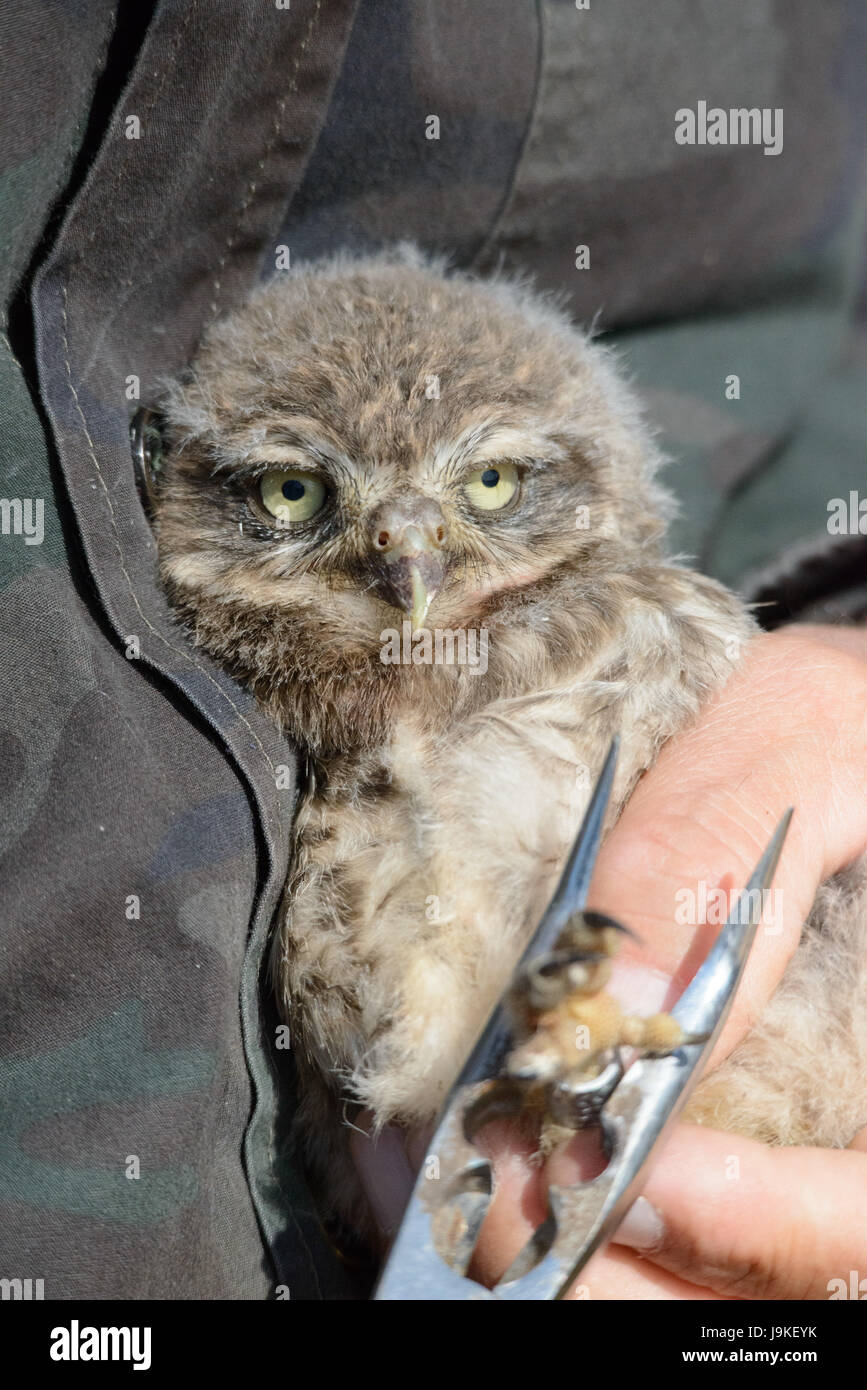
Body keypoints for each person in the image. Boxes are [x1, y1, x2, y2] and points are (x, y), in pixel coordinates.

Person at [1, 0, 864, 1300]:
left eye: (495, 487)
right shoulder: (331, 738)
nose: (409, 567)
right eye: (297, 496)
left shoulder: (633, 633)